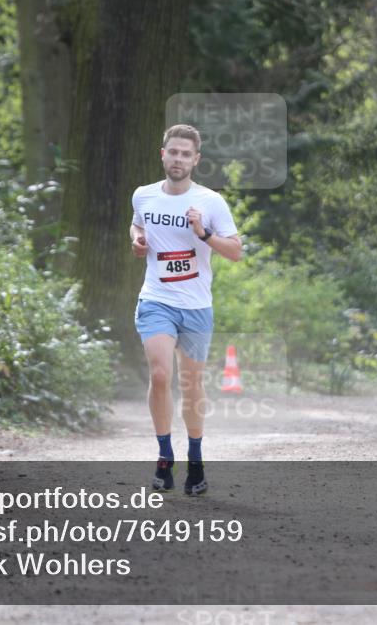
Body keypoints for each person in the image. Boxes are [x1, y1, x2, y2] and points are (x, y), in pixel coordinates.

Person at [130, 124, 242, 496]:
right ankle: (165, 457)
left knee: (191, 385)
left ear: (196, 160)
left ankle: (195, 458)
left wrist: (204, 234)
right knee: (161, 375)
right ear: (163, 154)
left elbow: (235, 251)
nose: (177, 159)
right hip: (156, 299)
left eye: (185, 154)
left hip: (196, 306)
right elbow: (136, 224)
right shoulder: (144, 196)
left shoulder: (210, 202)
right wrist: (138, 240)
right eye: (172, 152)